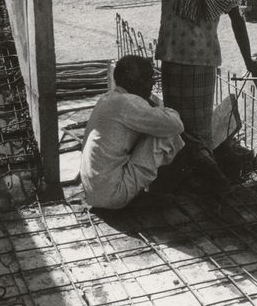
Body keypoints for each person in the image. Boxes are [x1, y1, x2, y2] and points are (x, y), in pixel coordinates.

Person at [38, 0, 257, 148]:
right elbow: (237, 19)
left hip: (174, 59)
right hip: (205, 63)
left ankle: (188, 173)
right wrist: (248, 61)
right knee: (200, 128)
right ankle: (204, 172)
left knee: (175, 125)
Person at [79, 55, 186, 210]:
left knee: (154, 129)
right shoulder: (127, 103)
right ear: (131, 82)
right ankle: (165, 189)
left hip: (95, 193)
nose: (153, 82)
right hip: (113, 195)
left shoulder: (109, 98)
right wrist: (165, 110)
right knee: (168, 135)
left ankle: (145, 190)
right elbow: (176, 125)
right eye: (147, 78)